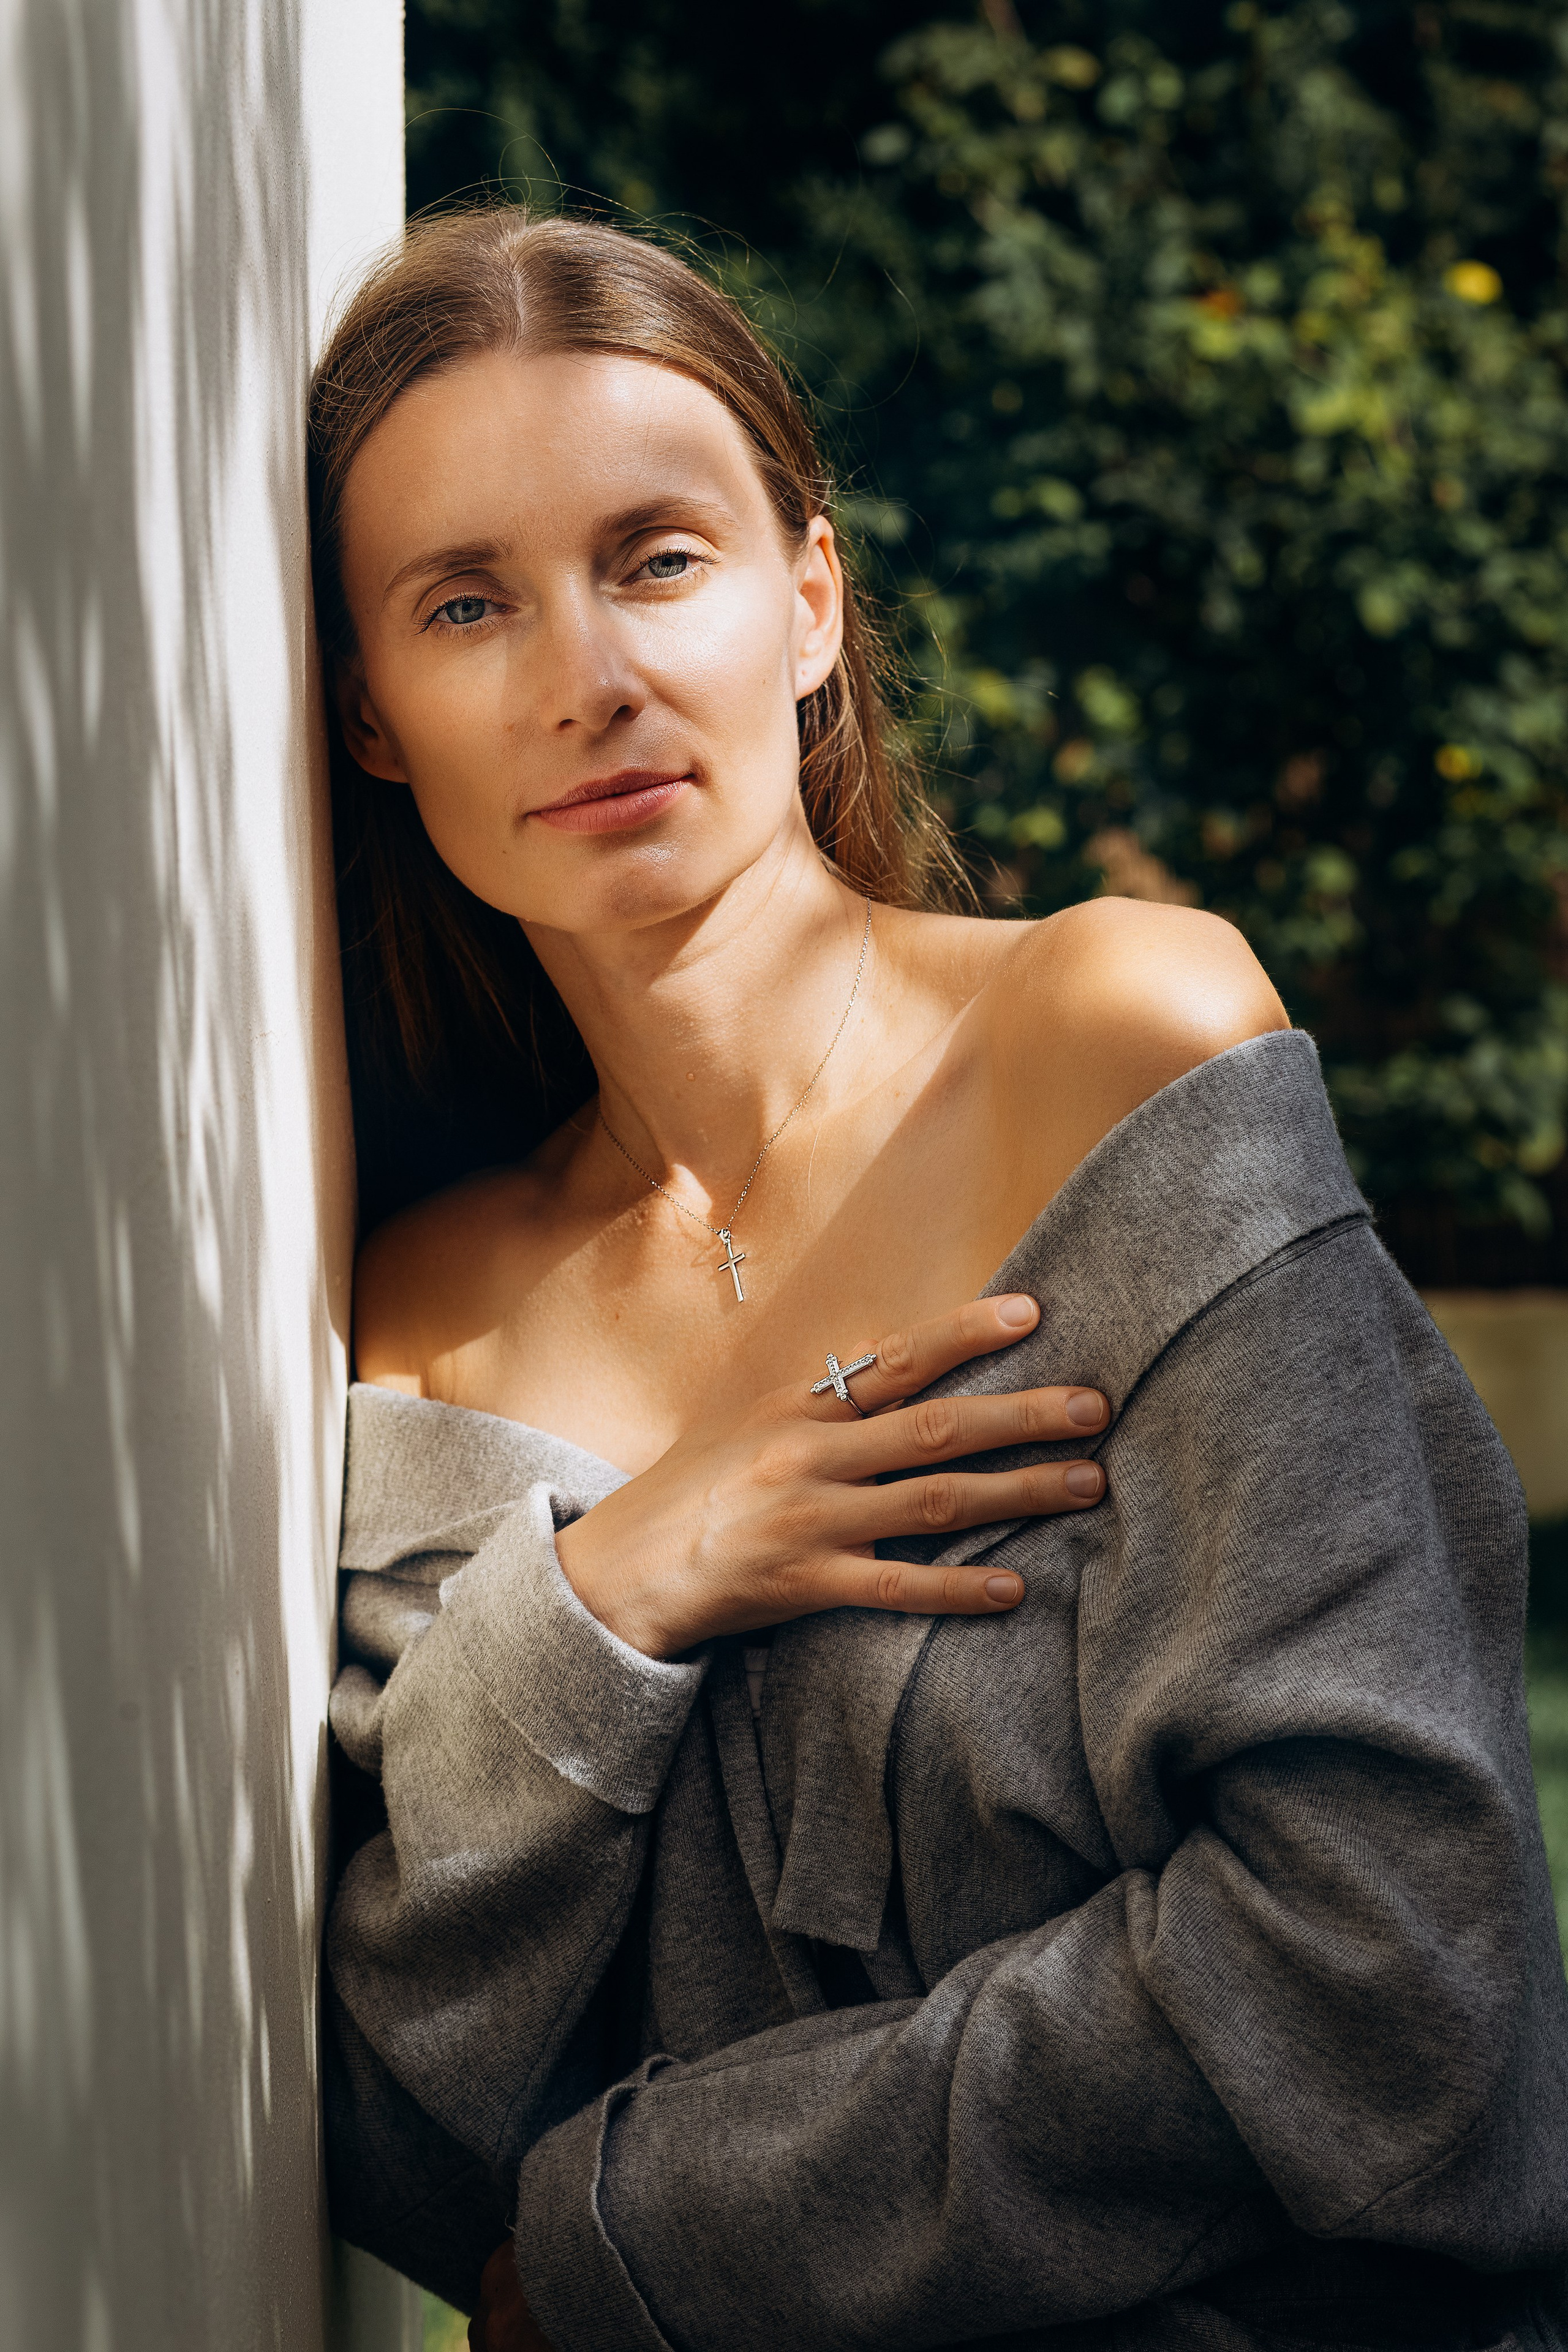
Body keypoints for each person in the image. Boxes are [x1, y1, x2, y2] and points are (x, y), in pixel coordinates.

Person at [313, 209, 1568, 2352]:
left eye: (657, 557)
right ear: (370, 721)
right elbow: (411, 2131)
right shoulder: (418, 1326)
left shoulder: (1114, 1043)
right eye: (464, 603)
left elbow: (1395, 1968)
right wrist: (609, 1604)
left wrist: (665, 2233)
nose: (585, 676)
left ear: (810, 600)